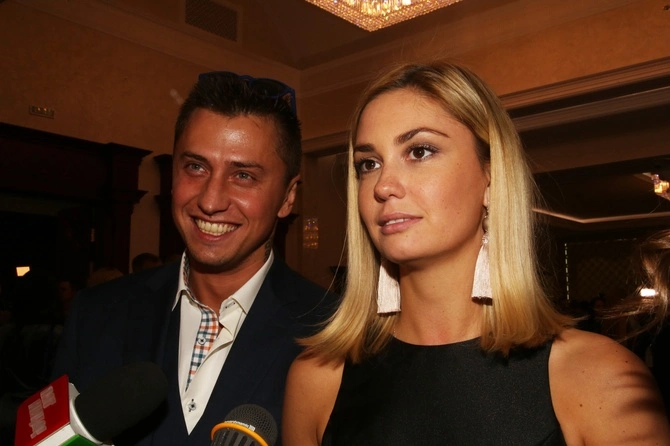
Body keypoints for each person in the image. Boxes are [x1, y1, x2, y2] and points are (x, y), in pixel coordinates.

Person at [283, 62, 670, 445]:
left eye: (420, 151)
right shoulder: (316, 379)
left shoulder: (600, 379)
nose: (383, 185)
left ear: (491, 177)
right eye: (368, 164)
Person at [53, 72, 335, 445]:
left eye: (243, 175)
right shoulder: (95, 314)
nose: (210, 200)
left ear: (287, 197)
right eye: (196, 167)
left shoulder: (333, 332)